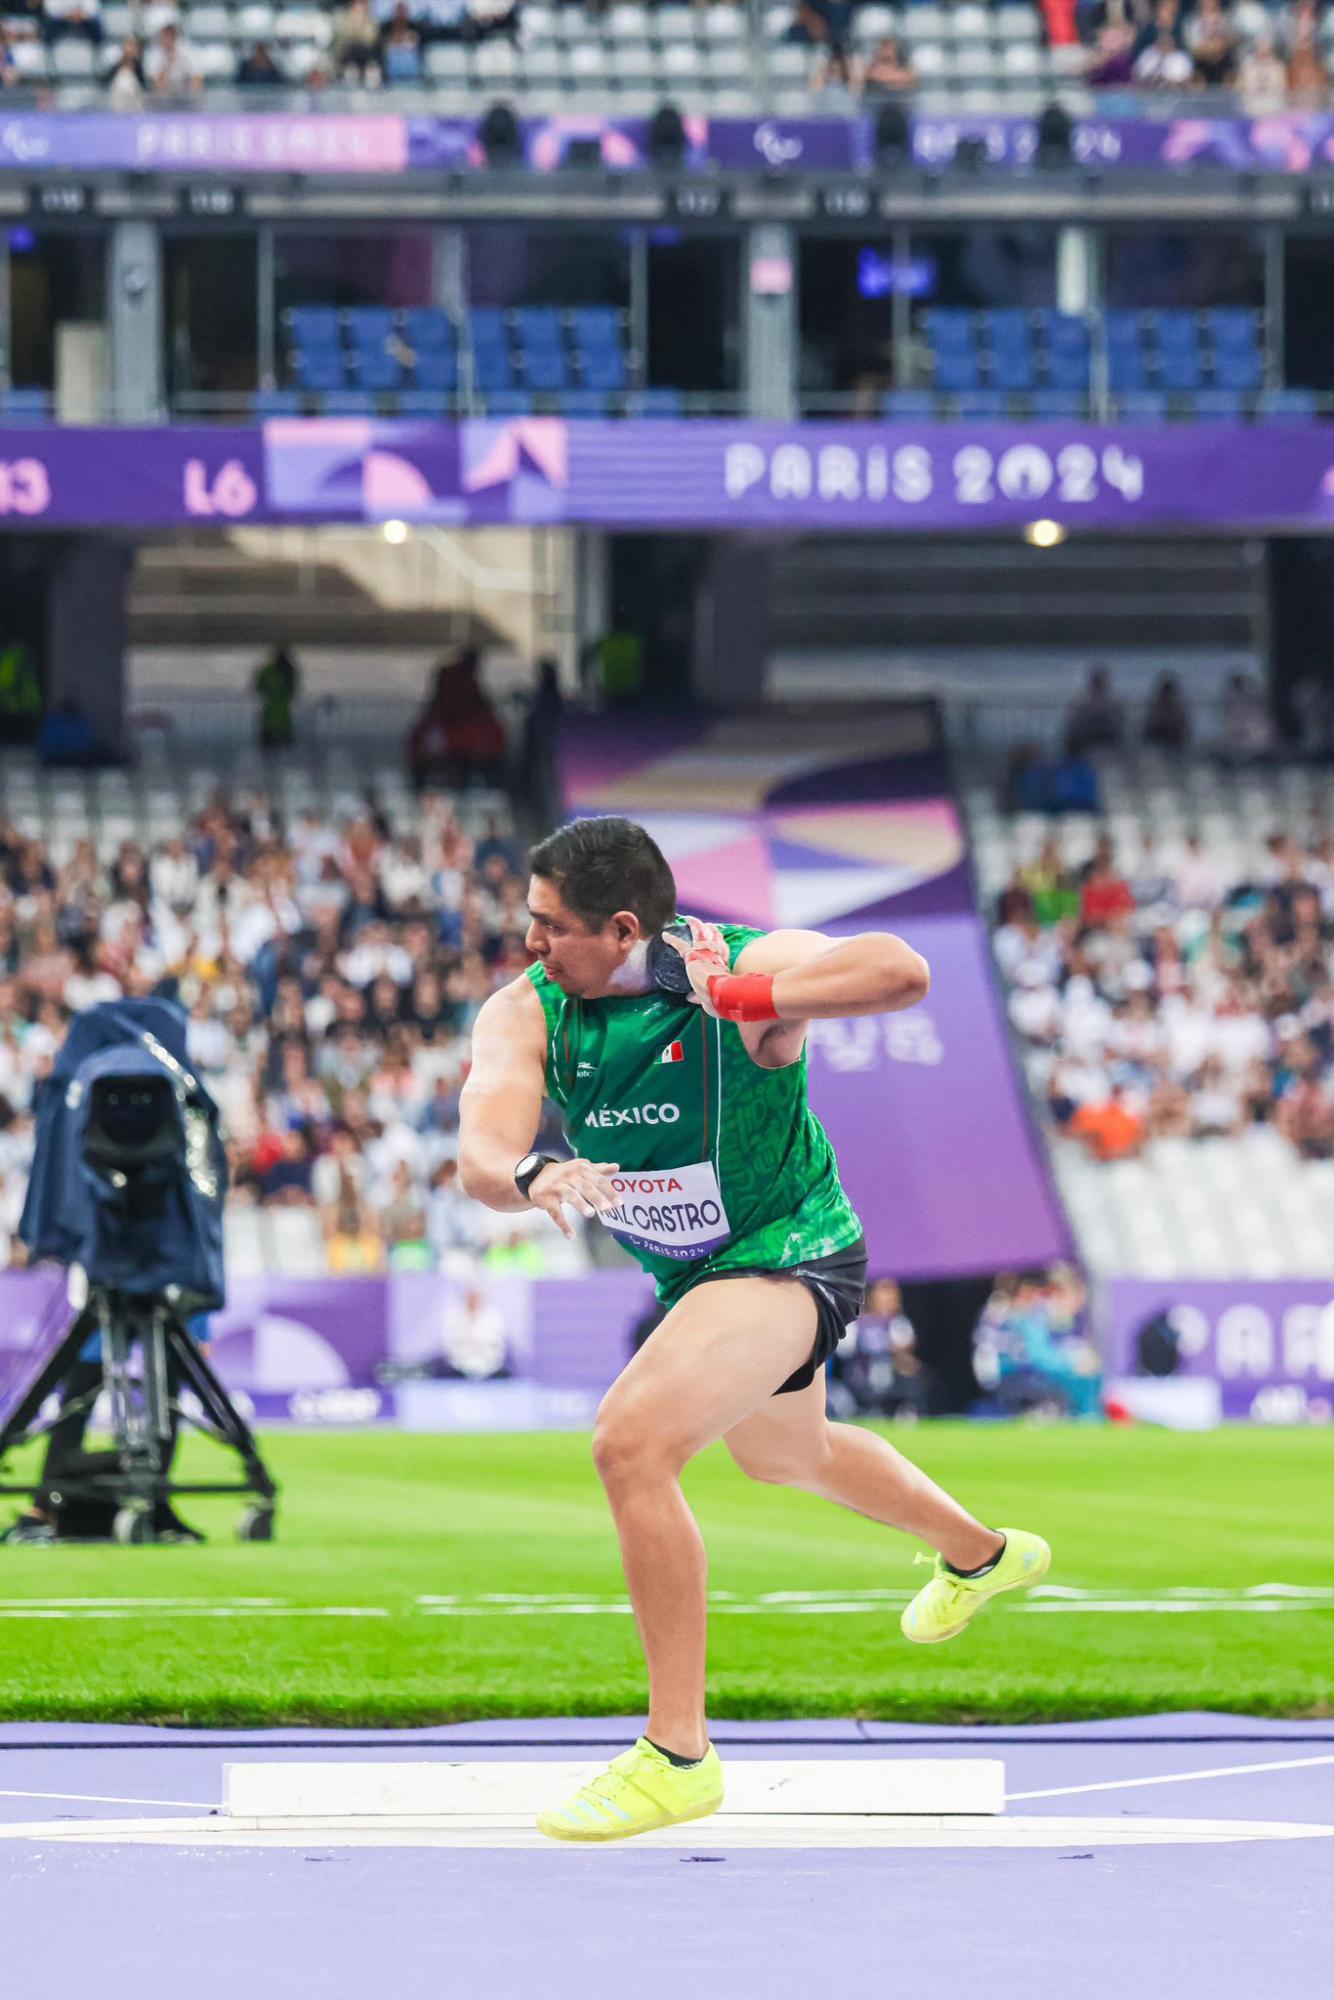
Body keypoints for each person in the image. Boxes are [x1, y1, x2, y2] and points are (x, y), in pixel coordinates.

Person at [457, 815, 1051, 1843]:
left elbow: (897, 970)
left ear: (623, 925)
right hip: (695, 1276)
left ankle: (675, 1752)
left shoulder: (731, 962)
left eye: (551, 927)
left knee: (629, 1442)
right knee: (788, 1454)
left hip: (789, 1249)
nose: (531, 943)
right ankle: (983, 1553)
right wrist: (530, 1174)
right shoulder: (527, 1011)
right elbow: (481, 1145)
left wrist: (746, 1002)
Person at [254, 645, 300, 752]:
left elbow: (258, 687)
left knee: (268, 751)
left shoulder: (267, 671)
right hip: (284, 716)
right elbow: (293, 691)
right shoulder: (290, 671)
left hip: (269, 716)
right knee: (285, 751)